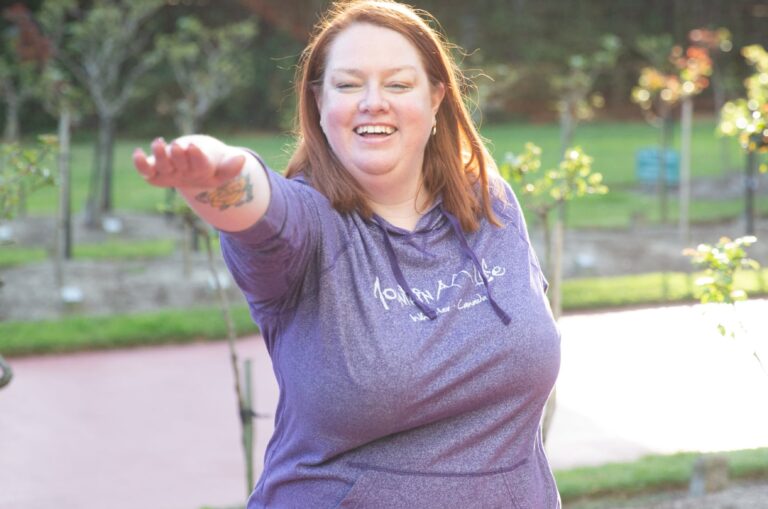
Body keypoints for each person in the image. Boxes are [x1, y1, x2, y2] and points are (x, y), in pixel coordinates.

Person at [133, 1, 561, 507]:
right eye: (348, 84)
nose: (373, 102)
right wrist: (216, 170)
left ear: (436, 98)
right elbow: (260, 208)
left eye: (398, 84)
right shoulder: (310, 228)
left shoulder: (488, 204)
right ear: (319, 102)